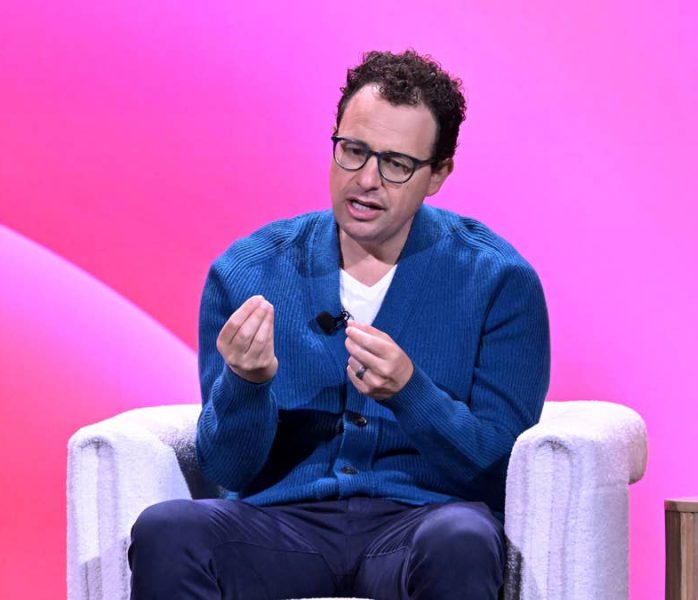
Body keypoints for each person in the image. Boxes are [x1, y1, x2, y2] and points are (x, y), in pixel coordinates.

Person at [128, 49, 550, 600]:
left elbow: (499, 467)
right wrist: (246, 386)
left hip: (420, 525)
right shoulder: (247, 272)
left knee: (462, 538)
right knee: (168, 531)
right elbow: (228, 468)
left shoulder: (498, 281)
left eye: (396, 164)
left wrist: (412, 394)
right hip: (282, 527)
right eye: (353, 151)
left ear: (438, 174)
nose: (366, 180)